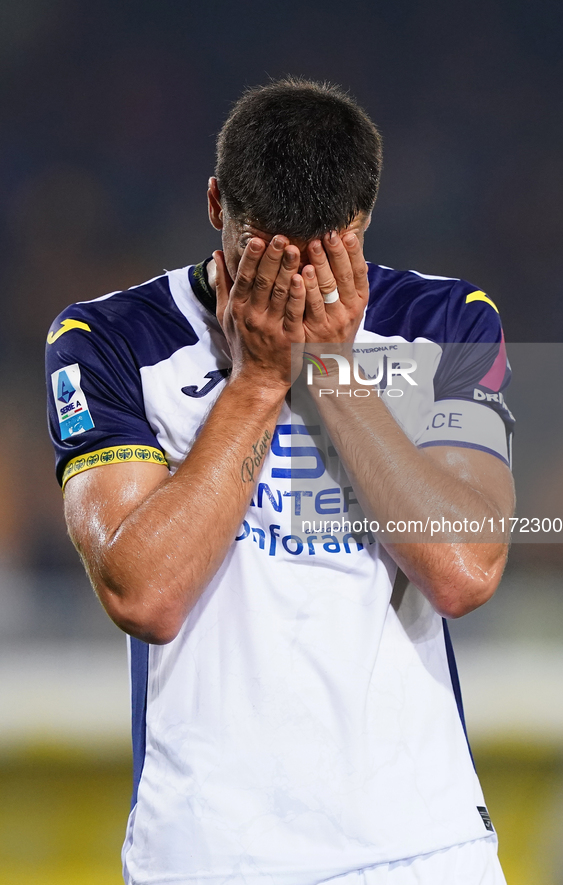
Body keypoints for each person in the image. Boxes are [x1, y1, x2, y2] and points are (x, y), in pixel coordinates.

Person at [46, 79, 515, 885]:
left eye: (319, 261)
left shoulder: (448, 321)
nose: (289, 295)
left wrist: (329, 370)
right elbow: (144, 596)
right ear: (214, 204)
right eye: (259, 256)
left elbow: (463, 570)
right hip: (206, 853)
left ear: (362, 221)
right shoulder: (109, 338)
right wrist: (260, 381)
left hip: (423, 845)